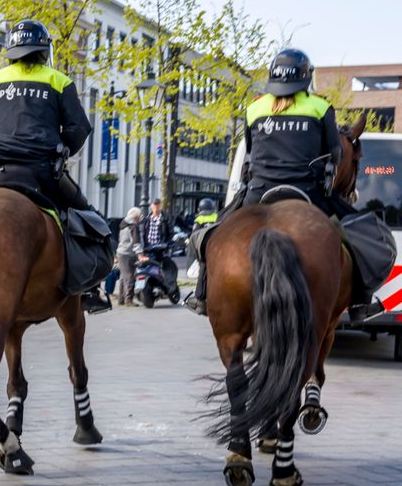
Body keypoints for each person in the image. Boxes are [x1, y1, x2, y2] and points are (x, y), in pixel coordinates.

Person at [184, 48, 366, 316]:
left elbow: (250, 146)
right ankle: (361, 301)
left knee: (208, 236)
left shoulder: (255, 107)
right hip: (308, 193)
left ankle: (202, 295)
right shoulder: (320, 106)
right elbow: (335, 153)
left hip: (258, 193)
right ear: (306, 79)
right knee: (358, 238)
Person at [0, 19, 111, 313]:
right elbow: (79, 128)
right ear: (44, 50)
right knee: (93, 224)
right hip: (44, 172)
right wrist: (63, 147)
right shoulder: (58, 80)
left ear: (12, 51)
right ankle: (89, 290)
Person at [115, 207, 144, 306]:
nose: (140, 218)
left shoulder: (123, 224)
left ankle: (121, 299)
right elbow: (136, 242)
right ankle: (129, 300)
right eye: (139, 216)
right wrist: (140, 255)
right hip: (128, 254)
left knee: (123, 277)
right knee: (130, 276)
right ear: (135, 216)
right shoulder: (133, 226)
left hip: (121, 252)